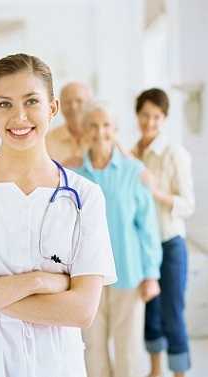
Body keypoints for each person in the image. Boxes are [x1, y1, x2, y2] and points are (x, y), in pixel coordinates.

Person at [0, 54, 116, 377]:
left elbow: (82, 310)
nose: (19, 116)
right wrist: (38, 282)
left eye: (31, 101)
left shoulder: (85, 197)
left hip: (56, 365)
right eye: (4, 104)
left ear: (52, 108)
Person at [75, 103, 162, 377]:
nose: (100, 132)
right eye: (93, 125)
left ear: (116, 130)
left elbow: (148, 228)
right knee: (93, 347)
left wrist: (151, 274)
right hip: (87, 277)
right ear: (84, 131)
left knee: (127, 350)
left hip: (128, 273)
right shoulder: (74, 176)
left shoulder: (134, 172)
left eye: (106, 125)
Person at [132, 88, 195, 377]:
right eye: (145, 115)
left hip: (170, 245)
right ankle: (155, 371)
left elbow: (188, 204)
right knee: (150, 313)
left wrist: (157, 192)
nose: (150, 122)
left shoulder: (174, 154)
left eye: (156, 117)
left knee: (172, 314)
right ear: (137, 115)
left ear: (164, 118)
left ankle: (179, 374)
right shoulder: (132, 154)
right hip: (143, 247)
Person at [46, 81, 93, 167]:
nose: (73, 107)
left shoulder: (101, 137)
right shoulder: (47, 140)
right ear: (59, 106)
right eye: (68, 102)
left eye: (79, 101)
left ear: (89, 104)